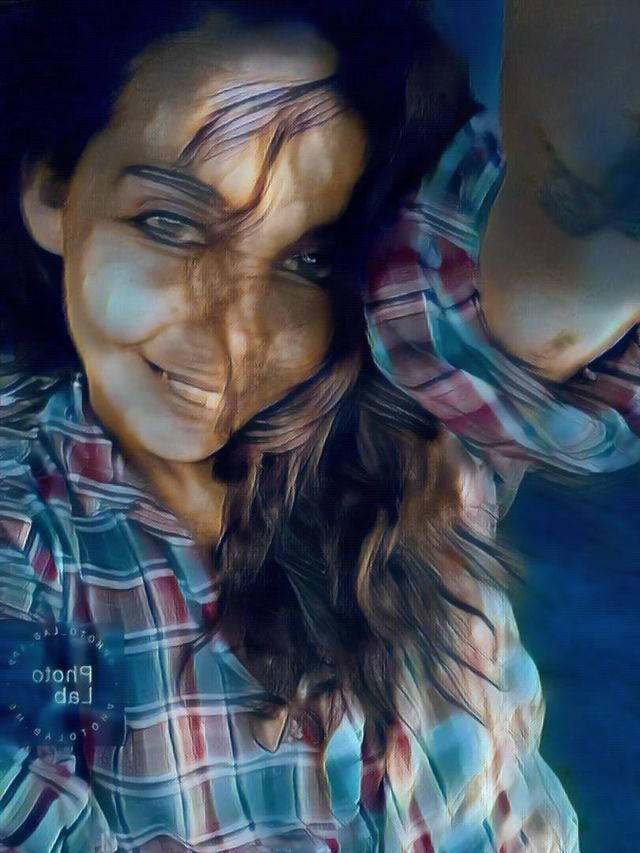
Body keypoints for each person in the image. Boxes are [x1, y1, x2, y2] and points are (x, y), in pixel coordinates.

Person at [0, 1, 578, 851]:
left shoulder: (412, 446)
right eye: (170, 223)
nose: (233, 333)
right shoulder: (26, 540)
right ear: (53, 188)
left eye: (308, 260)